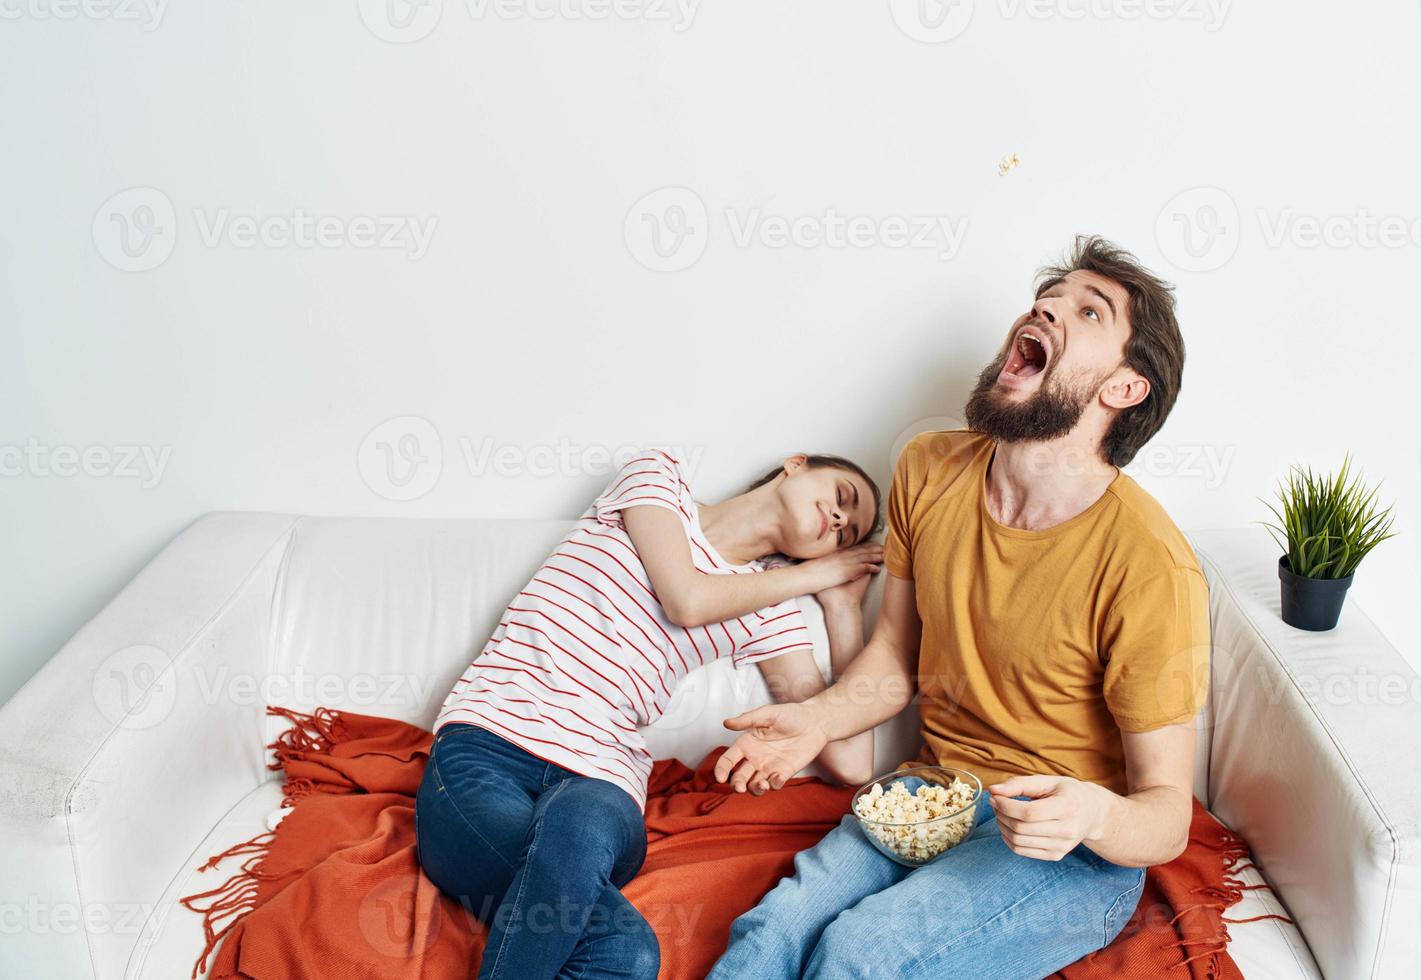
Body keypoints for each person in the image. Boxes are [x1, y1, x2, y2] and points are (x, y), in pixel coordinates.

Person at [708, 235, 1212, 979]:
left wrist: (1091, 813)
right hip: (929, 796)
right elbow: (892, 655)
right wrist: (812, 721)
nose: (1045, 305)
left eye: (1088, 310)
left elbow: (1167, 812)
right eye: (1051, 294)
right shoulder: (928, 468)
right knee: (769, 934)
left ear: (1122, 388)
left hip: (1066, 850)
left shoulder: (1149, 565)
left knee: (860, 956)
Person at [414, 446, 885, 980]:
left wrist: (843, 608)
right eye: (843, 499)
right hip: (490, 743)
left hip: (603, 776)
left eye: (848, 534)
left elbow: (850, 762)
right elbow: (687, 598)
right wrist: (816, 575)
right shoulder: (660, 481)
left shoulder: (769, 606)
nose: (842, 522)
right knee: (625, 951)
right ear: (797, 464)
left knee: (580, 819)